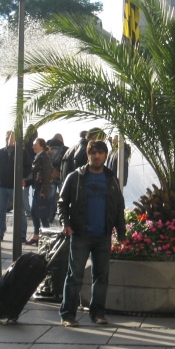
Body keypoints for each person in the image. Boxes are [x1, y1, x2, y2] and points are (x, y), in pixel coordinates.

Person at [59, 140, 127, 326]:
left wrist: (121, 235)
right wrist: (66, 223)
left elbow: (119, 207)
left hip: (103, 236)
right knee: (75, 276)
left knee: (101, 277)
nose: (96, 156)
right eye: (93, 152)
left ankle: (97, 314)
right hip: (81, 235)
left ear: (106, 155)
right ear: (87, 155)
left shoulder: (111, 179)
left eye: (100, 152)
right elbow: (62, 202)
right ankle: (68, 315)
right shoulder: (76, 177)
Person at [0, 131, 30, 241]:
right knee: (1, 212)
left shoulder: (22, 152)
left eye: (11, 137)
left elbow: (28, 167)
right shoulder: (0, 152)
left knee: (20, 211)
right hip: (2, 185)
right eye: (7, 137)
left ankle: (22, 235)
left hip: (15, 186)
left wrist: (21, 177)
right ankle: (0, 233)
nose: (8, 139)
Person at [24, 138, 52, 245]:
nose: (33, 146)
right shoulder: (39, 157)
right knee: (36, 213)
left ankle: (45, 237)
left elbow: (46, 175)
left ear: (41, 146)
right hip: (38, 189)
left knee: (42, 214)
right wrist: (27, 182)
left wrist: (43, 191)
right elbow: (36, 175)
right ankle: (38, 236)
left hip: (41, 190)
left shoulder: (44, 157)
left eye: (35, 144)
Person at [47, 133, 68, 222]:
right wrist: (60, 172)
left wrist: (51, 172)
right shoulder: (65, 149)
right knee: (63, 196)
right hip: (61, 176)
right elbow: (66, 162)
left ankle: (50, 216)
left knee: (51, 197)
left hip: (50, 176)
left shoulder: (47, 149)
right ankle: (62, 216)